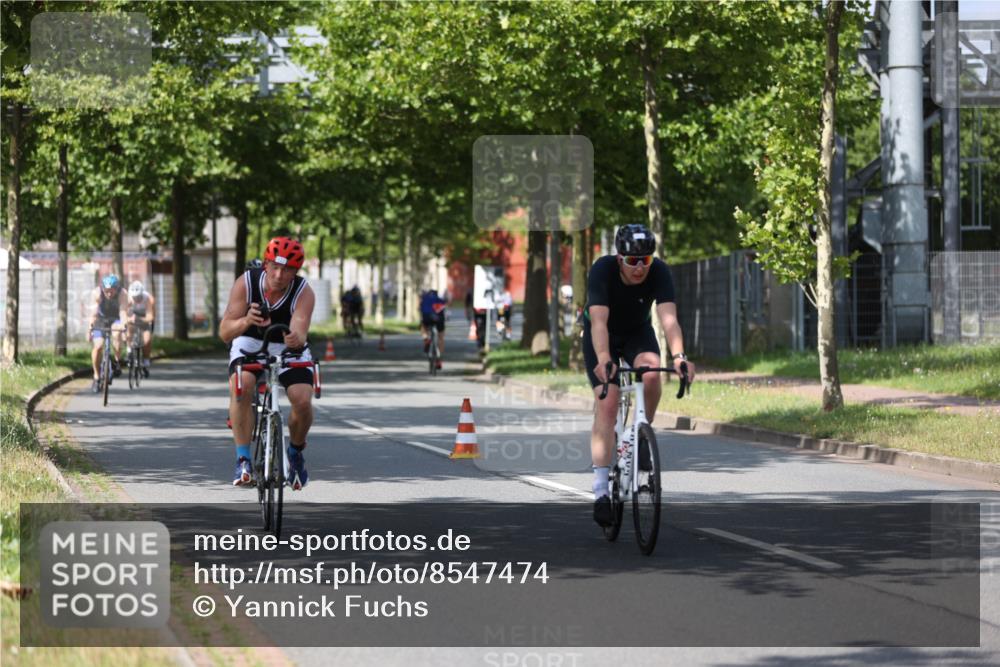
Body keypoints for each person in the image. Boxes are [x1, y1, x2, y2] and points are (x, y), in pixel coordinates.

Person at [583, 224, 696, 527]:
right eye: (632, 261)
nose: (639, 268)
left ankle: (641, 436)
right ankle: (600, 491)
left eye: (644, 260)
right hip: (602, 335)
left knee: (651, 374)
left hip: (636, 332)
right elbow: (598, 323)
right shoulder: (602, 270)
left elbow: (669, 319)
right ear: (619, 258)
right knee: (608, 402)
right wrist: (605, 358)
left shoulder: (659, 271)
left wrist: (679, 356)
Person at [220, 236, 316, 490]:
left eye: (287, 270)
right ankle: (243, 459)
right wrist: (246, 321)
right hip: (249, 341)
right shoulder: (246, 283)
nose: (279, 274)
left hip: (286, 344)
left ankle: (295, 453)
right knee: (242, 385)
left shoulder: (304, 291)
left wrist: (296, 337)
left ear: (295, 272)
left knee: (303, 400)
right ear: (266, 264)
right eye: (275, 266)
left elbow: (300, 326)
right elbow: (224, 332)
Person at [88, 274, 128, 393]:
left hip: (115, 318)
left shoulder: (123, 294)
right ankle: (96, 376)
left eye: (112, 291)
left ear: (116, 288)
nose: (109, 294)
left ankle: (116, 361)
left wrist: (124, 326)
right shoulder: (97, 293)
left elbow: (123, 312)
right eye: (107, 291)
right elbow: (93, 313)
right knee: (98, 346)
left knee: (116, 334)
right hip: (101, 319)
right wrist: (90, 327)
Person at [126, 281, 155, 378]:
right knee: (129, 330)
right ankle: (129, 349)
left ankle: (146, 360)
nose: (136, 299)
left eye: (138, 297)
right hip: (132, 321)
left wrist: (139, 319)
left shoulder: (148, 299)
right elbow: (123, 315)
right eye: (134, 297)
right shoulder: (127, 299)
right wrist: (129, 319)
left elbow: (150, 317)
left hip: (144, 321)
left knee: (147, 341)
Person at [420, 288, 448, 369]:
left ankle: (426, 338)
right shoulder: (440, 300)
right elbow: (444, 311)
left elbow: (420, 310)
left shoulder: (424, 299)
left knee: (423, 326)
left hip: (427, 318)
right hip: (439, 319)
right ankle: (439, 359)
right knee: (441, 337)